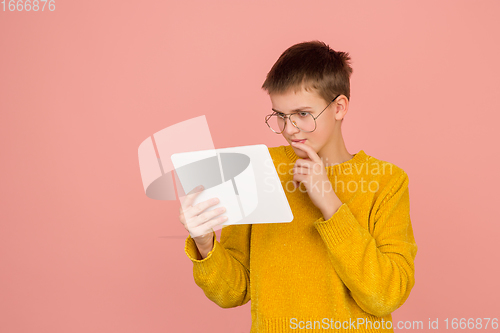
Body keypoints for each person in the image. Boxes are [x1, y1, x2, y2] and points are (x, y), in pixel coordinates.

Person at [178, 40, 417, 332]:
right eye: (280, 116)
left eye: (303, 114)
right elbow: (233, 291)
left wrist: (329, 202)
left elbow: (386, 296)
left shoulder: (386, 181)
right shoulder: (259, 169)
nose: (289, 129)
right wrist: (205, 244)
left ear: (339, 107)